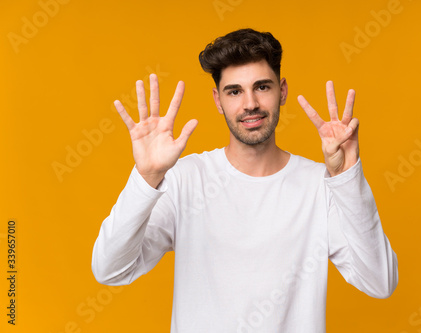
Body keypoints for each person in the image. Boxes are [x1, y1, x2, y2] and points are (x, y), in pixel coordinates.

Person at [91, 28, 398, 332]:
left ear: (283, 90)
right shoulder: (186, 180)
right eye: (234, 91)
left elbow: (380, 281)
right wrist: (147, 177)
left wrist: (347, 177)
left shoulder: (321, 186)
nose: (250, 103)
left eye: (262, 87)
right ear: (217, 100)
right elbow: (110, 269)